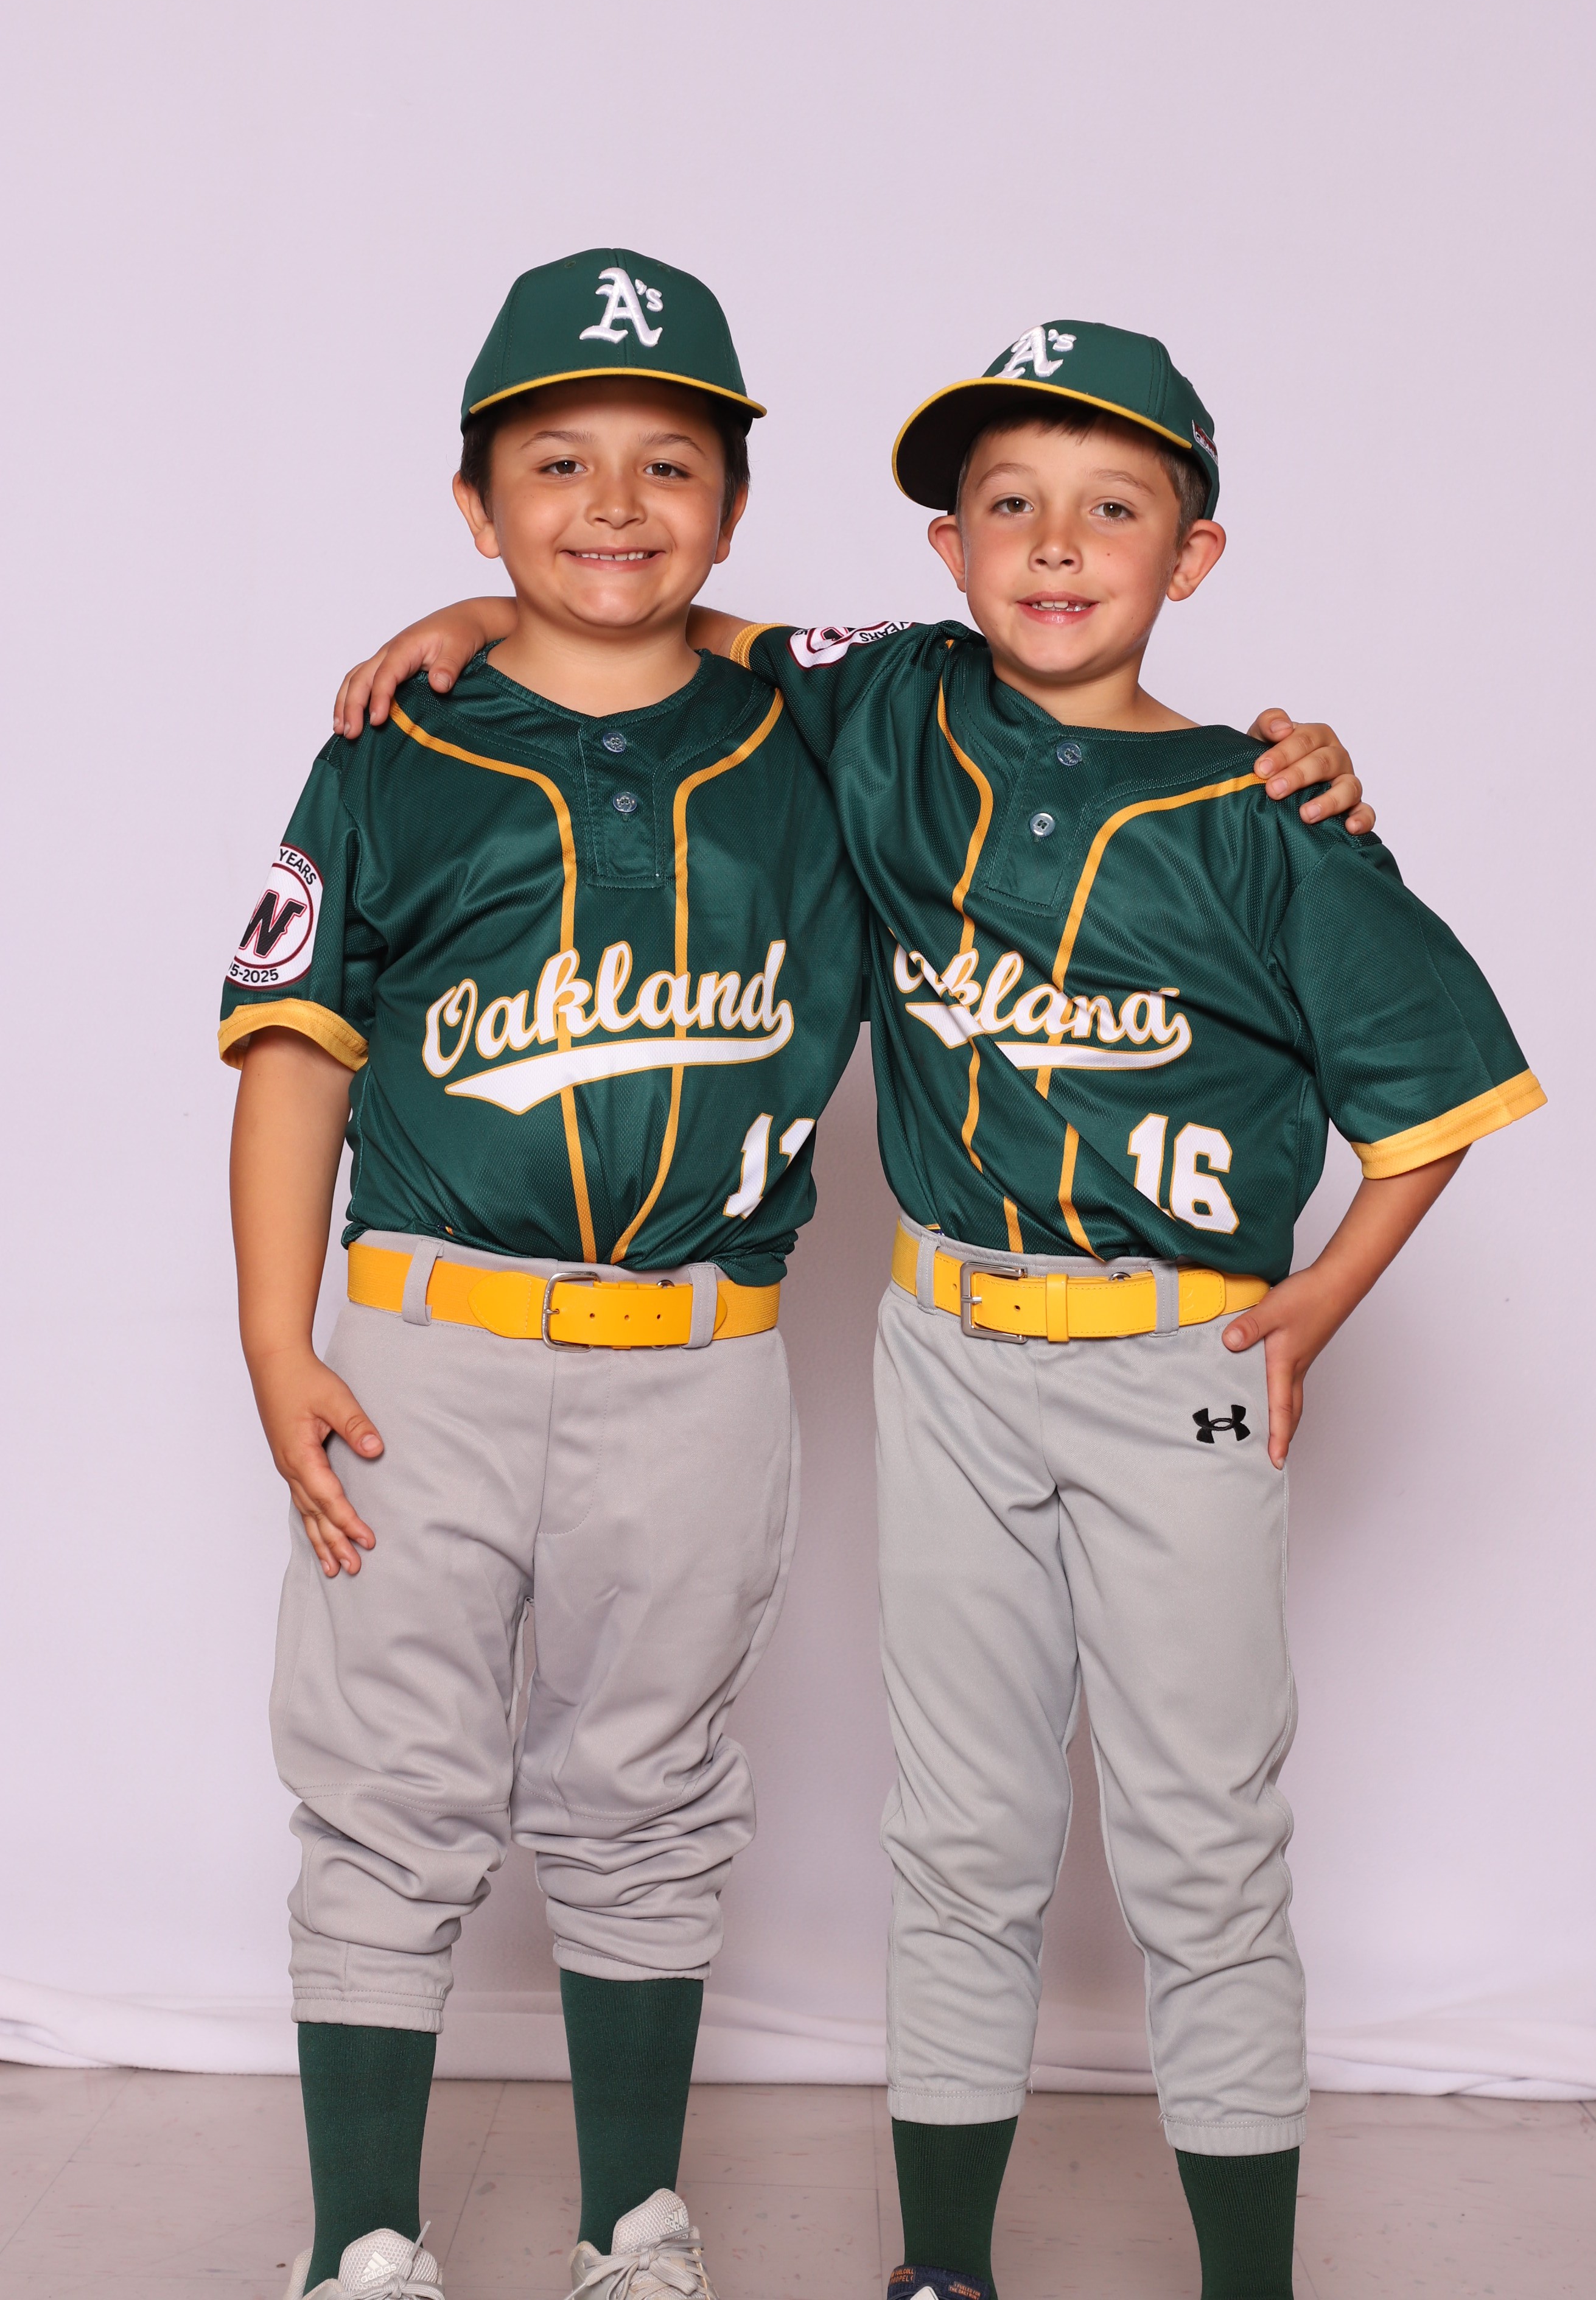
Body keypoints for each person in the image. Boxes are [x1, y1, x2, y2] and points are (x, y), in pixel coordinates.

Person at [330, 324, 1412, 2300]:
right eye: (1009, 505)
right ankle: (942, 2267)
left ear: (1197, 552)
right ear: (945, 548)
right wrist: (481, 615)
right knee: (963, 1830)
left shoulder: (1268, 802)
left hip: (1180, 1345)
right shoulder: (892, 698)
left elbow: (1430, 1099)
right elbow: (657, 611)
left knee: (1200, 1837)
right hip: (950, 1344)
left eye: (1113, 507)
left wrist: (1323, 1299)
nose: (1056, 544)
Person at [224, 248, 870, 2300]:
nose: (612, 503)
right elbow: (298, 1050)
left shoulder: (824, 741)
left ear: (735, 511)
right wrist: (273, 1340)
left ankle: (633, 2225)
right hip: (427, 1343)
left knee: (648, 1793)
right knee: (386, 1792)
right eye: (556, 464)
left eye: (669, 464)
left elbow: (1026, 684)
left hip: (701, 1353)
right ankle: (360, 2242)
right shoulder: (395, 747)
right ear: (474, 502)